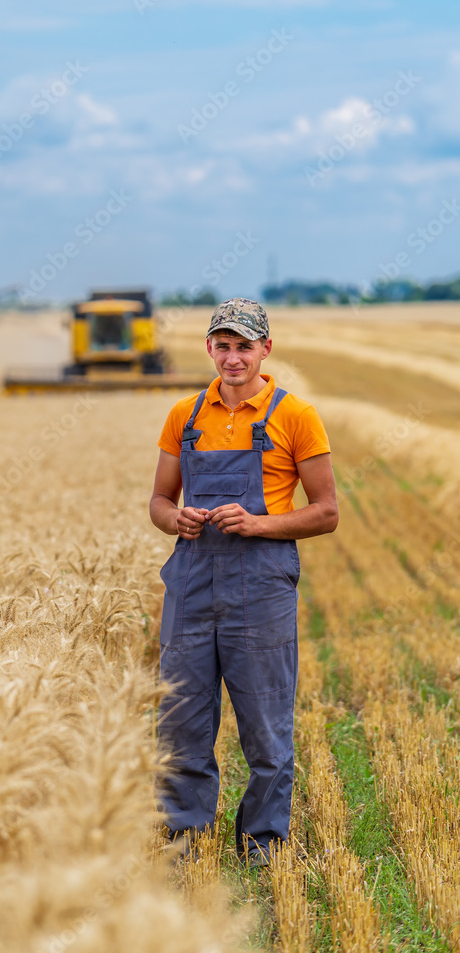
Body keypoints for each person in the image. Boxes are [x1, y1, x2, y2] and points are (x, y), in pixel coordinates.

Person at [149, 298, 338, 865]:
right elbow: (159, 500)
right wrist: (173, 519)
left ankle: (263, 844)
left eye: (245, 346)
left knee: (265, 724)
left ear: (265, 349)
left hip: (260, 585)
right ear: (210, 348)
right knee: (181, 716)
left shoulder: (295, 415)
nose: (233, 358)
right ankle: (185, 836)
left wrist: (259, 524)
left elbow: (326, 511)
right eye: (223, 346)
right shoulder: (185, 414)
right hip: (192, 581)